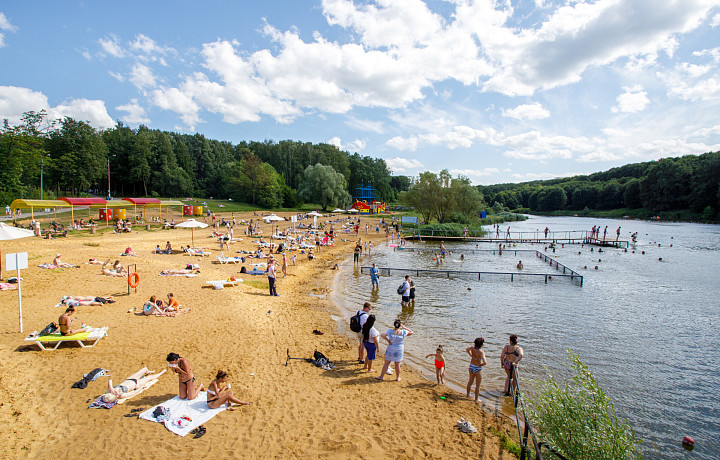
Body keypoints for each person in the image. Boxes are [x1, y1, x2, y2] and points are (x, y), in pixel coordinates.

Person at [100, 368, 167, 403]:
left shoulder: (110, 390)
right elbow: (133, 393)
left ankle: (149, 371)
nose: (115, 392)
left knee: (145, 369)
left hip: (130, 379)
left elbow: (110, 380)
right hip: (136, 384)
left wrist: (111, 388)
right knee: (150, 378)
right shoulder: (121, 395)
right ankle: (162, 372)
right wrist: (141, 388)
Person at [466, 338, 487, 402]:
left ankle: (468, 395)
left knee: (470, 381)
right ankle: (476, 399)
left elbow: (467, 349)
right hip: (477, 368)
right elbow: (485, 362)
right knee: (478, 385)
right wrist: (481, 364)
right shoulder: (481, 352)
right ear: (481, 344)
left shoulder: (472, 348)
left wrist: (471, 355)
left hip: (471, 366)